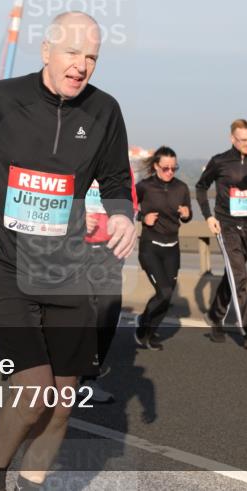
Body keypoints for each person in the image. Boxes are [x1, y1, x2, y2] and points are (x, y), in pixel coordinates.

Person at [0, 11, 135, 491]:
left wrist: (121, 215)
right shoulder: (3, 98)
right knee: (34, 387)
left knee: (63, 399)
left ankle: (30, 484)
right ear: (47, 51)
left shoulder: (105, 111)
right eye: (73, 53)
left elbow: (115, 178)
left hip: (64, 268)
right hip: (5, 265)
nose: (82, 65)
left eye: (92, 56)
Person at [195, 119, 247, 349]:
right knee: (240, 276)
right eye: (243, 140)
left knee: (232, 275)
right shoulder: (220, 161)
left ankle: (214, 316)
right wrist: (208, 216)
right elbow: (201, 187)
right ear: (233, 138)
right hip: (226, 226)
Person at [78, 169, 137, 404]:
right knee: (77, 315)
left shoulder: (120, 166)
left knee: (108, 313)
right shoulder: (73, 157)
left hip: (108, 251)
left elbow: (129, 202)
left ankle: (89, 379)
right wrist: (75, 217)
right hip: (74, 249)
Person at [133, 146, 192, 350]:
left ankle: (148, 329)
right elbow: (127, 207)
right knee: (164, 291)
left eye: (173, 168)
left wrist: (186, 214)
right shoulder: (144, 187)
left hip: (172, 248)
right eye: (165, 168)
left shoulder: (182, 188)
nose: (169, 172)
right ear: (156, 166)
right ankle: (143, 330)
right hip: (151, 247)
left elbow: (188, 214)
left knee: (166, 297)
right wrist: (142, 217)